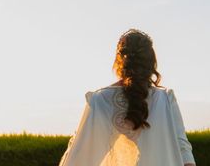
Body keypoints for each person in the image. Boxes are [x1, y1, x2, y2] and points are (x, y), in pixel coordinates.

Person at [58, 28, 196, 166]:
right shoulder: (165, 99)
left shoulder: (100, 100)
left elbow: (78, 157)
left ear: (119, 60)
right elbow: (184, 153)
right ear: (151, 62)